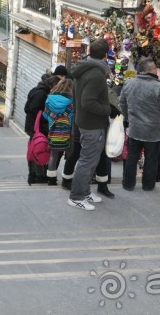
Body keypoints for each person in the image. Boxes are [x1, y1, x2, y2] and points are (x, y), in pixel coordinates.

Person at [67, 39, 112, 211]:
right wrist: (107, 110)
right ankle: (76, 196)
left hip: (84, 122)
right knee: (88, 161)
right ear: (106, 55)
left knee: (89, 160)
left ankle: (84, 191)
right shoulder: (96, 75)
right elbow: (88, 102)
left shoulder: (84, 68)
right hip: (92, 124)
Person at [119, 58, 160, 192]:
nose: (157, 69)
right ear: (149, 70)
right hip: (153, 130)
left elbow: (122, 103)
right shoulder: (159, 87)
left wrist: (127, 118)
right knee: (151, 158)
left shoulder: (129, 84)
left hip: (135, 128)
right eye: (155, 67)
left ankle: (128, 184)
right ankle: (148, 185)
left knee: (132, 157)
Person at [24, 74, 60, 185]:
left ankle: (35, 175)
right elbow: (33, 109)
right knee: (39, 149)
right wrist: (46, 116)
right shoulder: (42, 94)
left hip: (33, 125)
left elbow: (26, 108)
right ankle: (38, 175)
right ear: (52, 85)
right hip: (37, 126)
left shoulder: (37, 90)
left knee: (35, 148)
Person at [44, 78, 73, 186]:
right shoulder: (72, 101)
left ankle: (51, 179)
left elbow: (45, 114)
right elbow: (73, 117)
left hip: (53, 130)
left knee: (53, 155)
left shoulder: (49, 99)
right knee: (70, 155)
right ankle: (67, 177)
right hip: (68, 132)